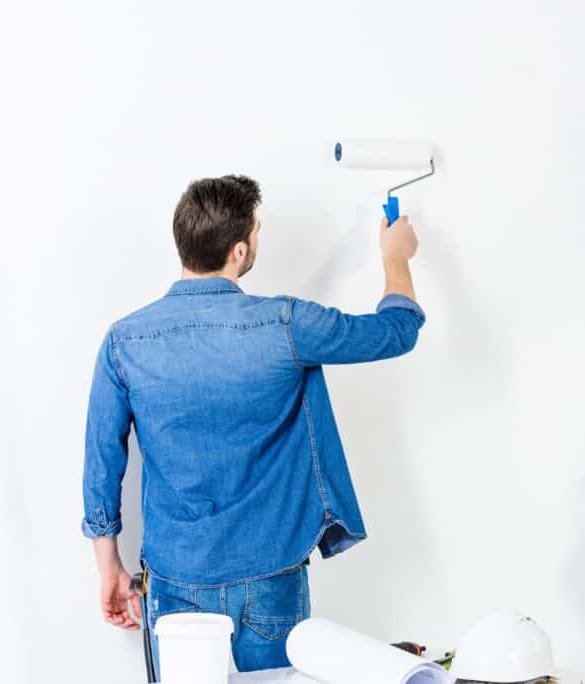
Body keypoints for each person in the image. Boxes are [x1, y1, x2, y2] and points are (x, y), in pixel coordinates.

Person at [80, 175, 425, 674]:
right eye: (257, 232)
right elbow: (396, 332)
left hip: (178, 576)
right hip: (271, 575)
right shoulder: (285, 324)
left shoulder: (123, 341)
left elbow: (101, 459)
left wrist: (107, 564)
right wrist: (396, 256)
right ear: (240, 250)